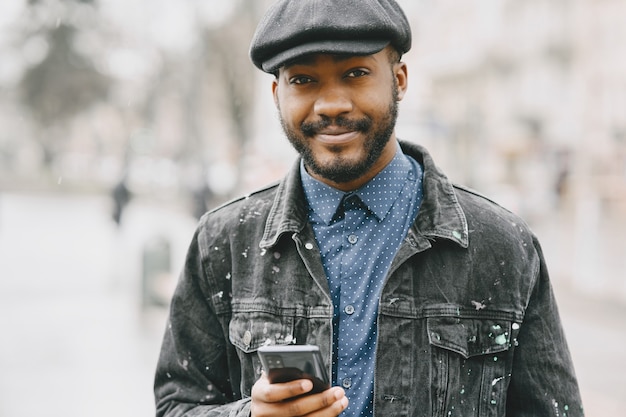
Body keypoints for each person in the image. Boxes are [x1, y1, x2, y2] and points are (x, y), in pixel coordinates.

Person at [154, 0, 584, 416]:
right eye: (303, 80)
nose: (331, 104)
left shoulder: (502, 244)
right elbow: (178, 404)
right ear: (276, 93)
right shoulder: (222, 241)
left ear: (399, 79)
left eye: (356, 73)